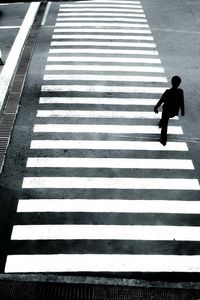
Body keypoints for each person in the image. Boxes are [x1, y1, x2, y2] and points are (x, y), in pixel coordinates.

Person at [154, 75, 185, 146]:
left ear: (171, 82)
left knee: (165, 125)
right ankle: (161, 123)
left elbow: (161, 100)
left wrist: (156, 107)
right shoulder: (180, 92)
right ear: (179, 83)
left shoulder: (167, 92)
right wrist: (182, 111)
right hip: (174, 112)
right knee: (164, 119)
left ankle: (163, 140)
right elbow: (182, 102)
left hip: (166, 111)